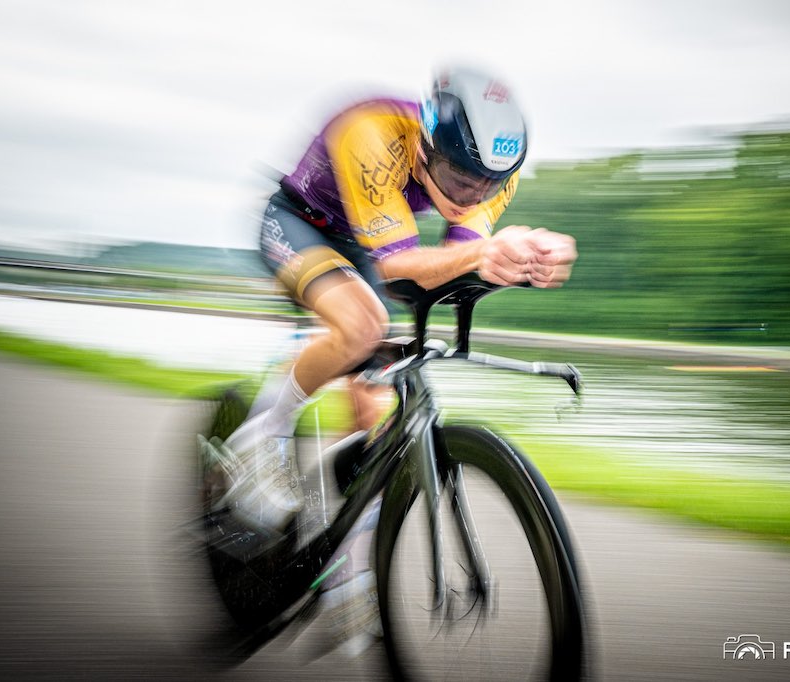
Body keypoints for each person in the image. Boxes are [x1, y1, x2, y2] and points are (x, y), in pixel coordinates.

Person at [218, 66, 578, 532]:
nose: (471, 197)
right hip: (300, 221)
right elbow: (396, 266)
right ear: (425, 147)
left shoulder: (493, 174)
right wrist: (484, 252)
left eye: (487, 185)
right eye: (457, 179)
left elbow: (453, 265)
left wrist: (524, 260)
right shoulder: (372, 131)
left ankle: (340, 559)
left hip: (365, 244)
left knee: (374, 420)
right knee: (362, 328)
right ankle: (263, 433)